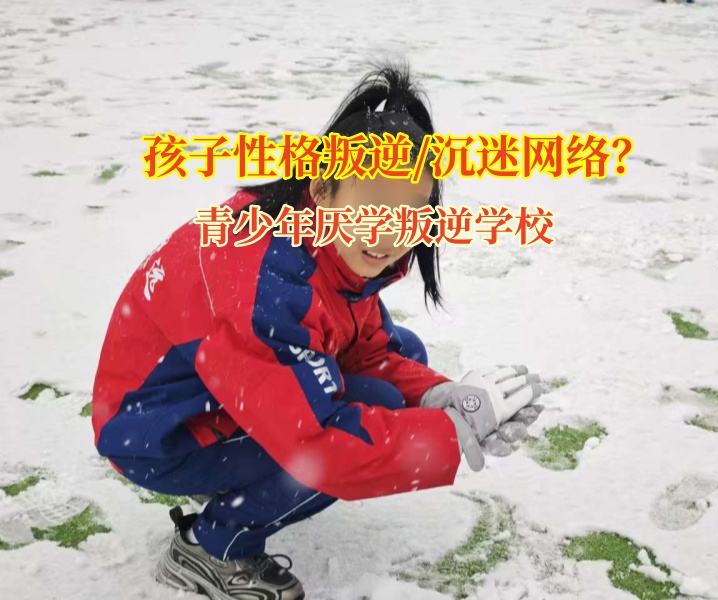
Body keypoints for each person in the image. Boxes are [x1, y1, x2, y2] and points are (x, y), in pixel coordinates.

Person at [91, 62, 544, 600]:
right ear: (323, 190)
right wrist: (447, 435)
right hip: (158, 432)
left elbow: (365, 350)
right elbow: (320, 442)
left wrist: (437, 396)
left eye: (410, 215)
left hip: (207, 393)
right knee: (344, 436)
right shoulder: (267, 283)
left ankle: (235, 479)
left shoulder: (317, 238)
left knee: (398, 372)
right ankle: (212, 548)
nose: (390, 235)